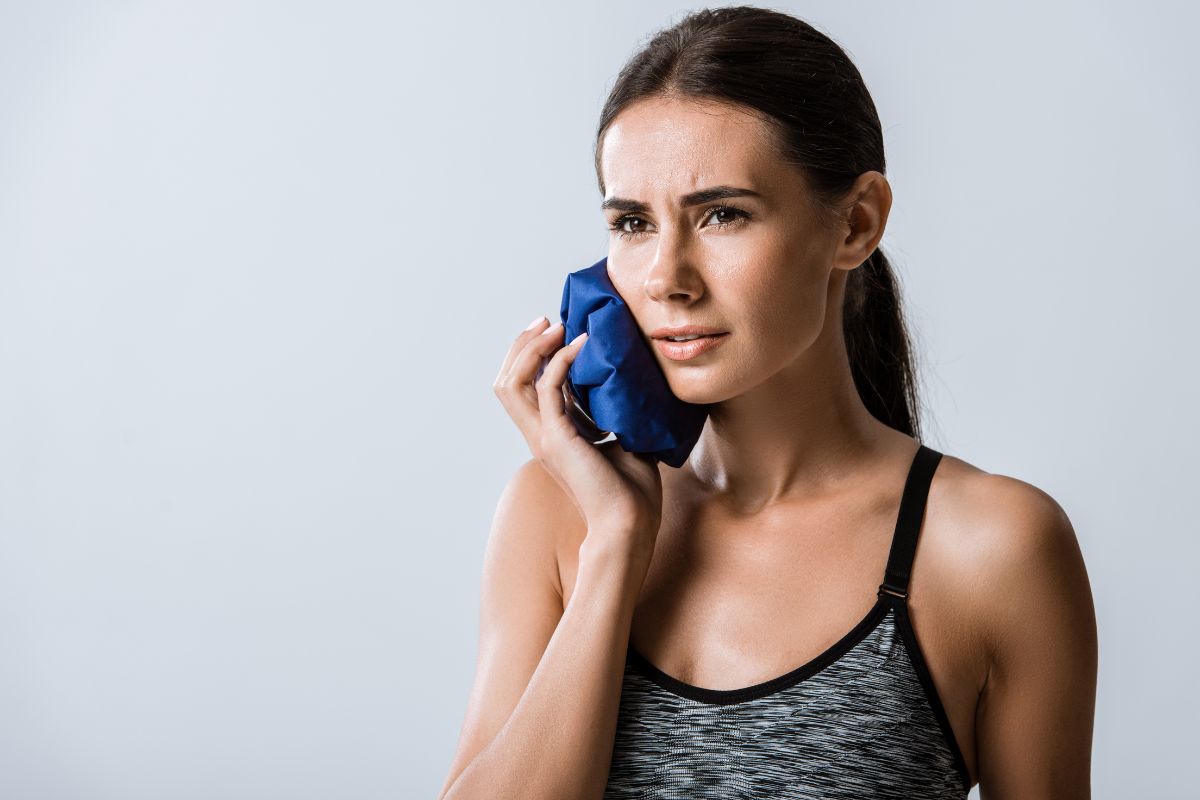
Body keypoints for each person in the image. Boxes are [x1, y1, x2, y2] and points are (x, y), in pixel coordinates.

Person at [437, 6, 1097, 799]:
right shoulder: (556, 514)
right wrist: (615, 545)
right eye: (633, 223)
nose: (666, 278)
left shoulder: (992, 548)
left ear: (856, 224)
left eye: (723, 215)